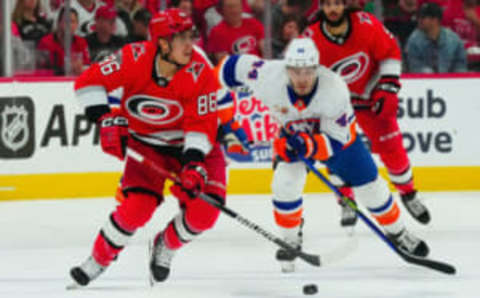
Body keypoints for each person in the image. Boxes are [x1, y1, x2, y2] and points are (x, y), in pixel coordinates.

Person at [216, 38, 430, 273]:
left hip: (339, 142)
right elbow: (224, 70)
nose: (302, 78)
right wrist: (221, 117)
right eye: (295, 71)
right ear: (286, 69)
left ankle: (399, 232)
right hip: (293, 136)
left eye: (308, 71)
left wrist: (308, 144)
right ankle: (290, 239)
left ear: (317, 68)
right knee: (284, 184)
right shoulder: (267, 75)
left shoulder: (334, 88)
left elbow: (336, 143)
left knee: (372, 189)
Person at [69, 8, 226, 287]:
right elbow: (87, 83)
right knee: (135, 209)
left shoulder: (200, 72)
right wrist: (104, 119)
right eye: (181, 39)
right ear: (163, 43)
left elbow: (201, 126)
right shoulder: (133, 57)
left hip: (194, 147)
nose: (190, 45)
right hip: (148, 146)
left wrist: (192, 164)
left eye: (191, 36)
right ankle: (99, 259)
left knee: (204, 214)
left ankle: (166, 244)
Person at [304, 0, 431, 227]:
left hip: (369, 96)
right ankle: (346, 200)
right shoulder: (310, 38)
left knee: (392, 149)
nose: (332, 9)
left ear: (345, 5)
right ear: (321, 7)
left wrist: (388, 86)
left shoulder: (366, 24)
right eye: (327, 4)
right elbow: (303, 75)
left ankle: (408, 193)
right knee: (334, 153)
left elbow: (390, 52)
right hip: (335, 104)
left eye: (337, 4)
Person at [405, 2, 468, 73]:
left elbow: (460, 66)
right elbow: (416, 67)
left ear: (435, 20)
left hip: (450, 81)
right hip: (424, 81)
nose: (419, 20)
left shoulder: (453, 39)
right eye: (418, 17)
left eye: (423, 18)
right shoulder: (414, 40)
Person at [37, 6, 90, 75]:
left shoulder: (81, 42)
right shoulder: (45, 42)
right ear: (59, 23)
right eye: (66, 21)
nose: (69, 25)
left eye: (73, 22)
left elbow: (87, 66)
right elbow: (41, 70)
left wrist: (80, 68)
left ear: (77, 25)